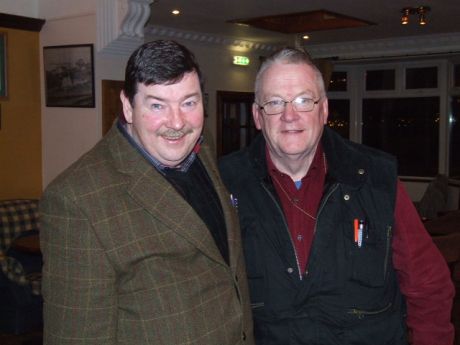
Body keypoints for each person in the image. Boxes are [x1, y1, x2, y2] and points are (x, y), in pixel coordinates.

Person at [219, 47, 455, 345]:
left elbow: (428, 285)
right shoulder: (225, 185)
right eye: (275, 102)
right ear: (257, 115)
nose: (290, 115)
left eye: (304, 101)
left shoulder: (376, 179)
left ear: (325, 110)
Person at [40, 40, 254, 345]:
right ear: (128, 106)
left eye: (189, 102)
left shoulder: (201, 145)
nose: (177, 122)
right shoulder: (76, 200)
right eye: (157, 105)